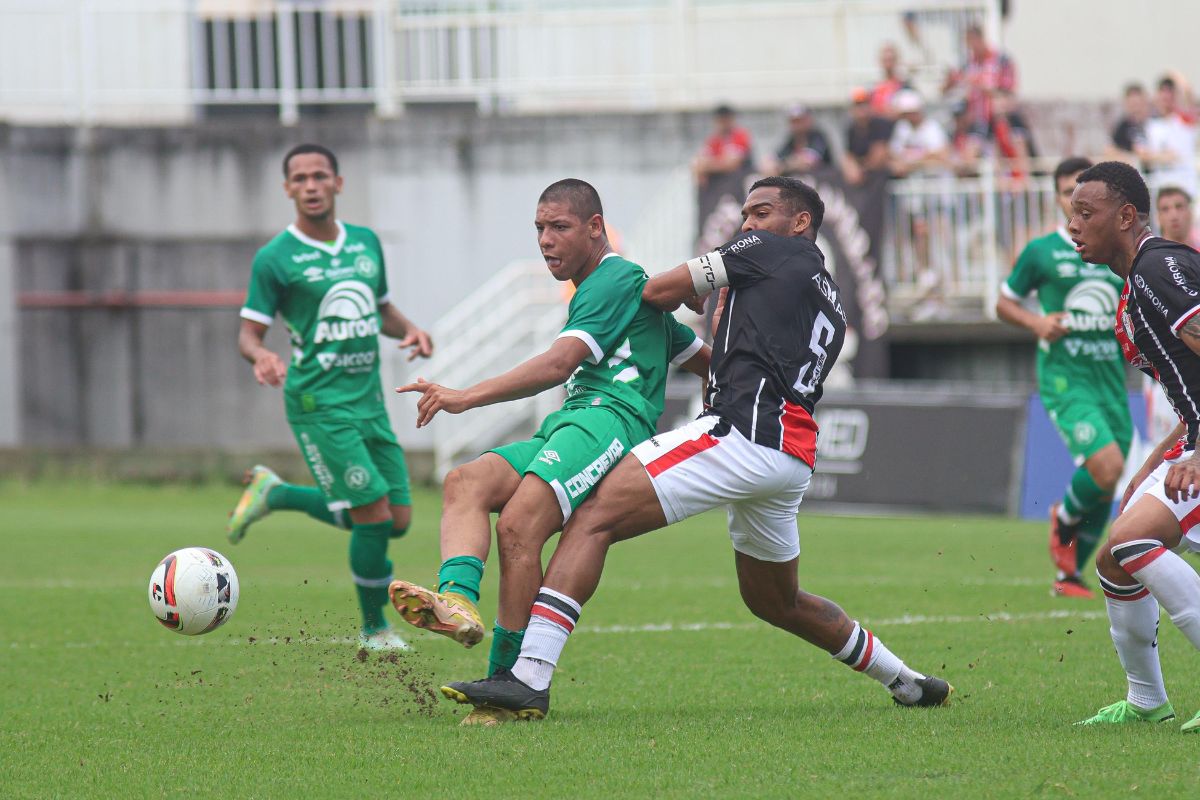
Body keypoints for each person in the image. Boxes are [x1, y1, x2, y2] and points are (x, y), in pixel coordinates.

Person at [440, 176, 953, 720]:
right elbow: (726, 355)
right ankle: (906, 680)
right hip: (791, 455)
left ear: (799, 223)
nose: (747, 224)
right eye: (746, 215)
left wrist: (690, 287)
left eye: (761, 212)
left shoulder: (769, 251)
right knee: (775, 601)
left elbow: (656, 290)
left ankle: (528, 677)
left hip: (739, 434)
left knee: (592, 517)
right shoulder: (827, 295)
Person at [388, 179, 710, 723]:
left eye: (558, 227)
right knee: (467, 482)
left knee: (518, 524)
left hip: (608, 420)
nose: (545, 240)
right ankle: (459, 603)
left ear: (595, 227)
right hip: (572, 421)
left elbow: (558, 366)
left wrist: (464, 396)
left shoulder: (616, 277)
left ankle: (507, 685)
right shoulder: (624, 293)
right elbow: (699, 354)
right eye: (539, 228)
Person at [228, 143, 433, 650]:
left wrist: (409, 329)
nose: (311, 185)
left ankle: (275, 495)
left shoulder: (365, 243)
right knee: (374, 517)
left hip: (369, 401)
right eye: (300, 178)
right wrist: (263, 357)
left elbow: (378, 307)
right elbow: (248, 335)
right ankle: (374, 630)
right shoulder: (275, 258)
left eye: (320, 176)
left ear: (338, 183)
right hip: (319, 404)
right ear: (288, 190)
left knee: (398, 522)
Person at [1068, 161, 1200, 733]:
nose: (1074, 225)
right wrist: (1154, 465)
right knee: (1112, 558)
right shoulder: (1140, 276)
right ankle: (1147, 701)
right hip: (1190, 438)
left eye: (1085, 213)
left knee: (1132, 541)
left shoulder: (1157, 268)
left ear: (1126, 216)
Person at [995, 157, 1130, 600]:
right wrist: (1037, 324)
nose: (1075, 202)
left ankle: (1070, 576)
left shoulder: (1115, 250)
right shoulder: (1042, 251)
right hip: (1065, 378)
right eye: (1066, 193)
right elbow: (1004, 303)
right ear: (1058, 199)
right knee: (1105, 466)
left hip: (1111, 377)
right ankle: (1064, 517)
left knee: (1110, 480)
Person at [1144, 187, 1200, 446]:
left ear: (1191, 210)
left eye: (1179, 207)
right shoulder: (1148, 262)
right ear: (1158, 216)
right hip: (1169, 373)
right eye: (1166, 209)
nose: (1174, 215)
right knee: (1167, 450)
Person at [942, 23, 1016, 128]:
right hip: (976, 119)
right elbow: (948, 88)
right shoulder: (969, 63)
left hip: (998, 118)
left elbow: (1008, 91)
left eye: (971, 41)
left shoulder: (1001, 60)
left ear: (979, 39)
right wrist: (950, 82)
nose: (970, 47)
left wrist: (985, 88)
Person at [1144, 74, 1198, 197]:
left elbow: (1189, 95)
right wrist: (1160, 157)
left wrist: (1173, 74)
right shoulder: (1151, 125)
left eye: (1170, 97)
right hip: (1162, 185)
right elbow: (1144, 154)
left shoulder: (1184, 120)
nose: (1166, 101)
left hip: (1185, 183)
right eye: (1162, 97)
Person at [692, 104, 754, 187]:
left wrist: (708, 165)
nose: (722, 123)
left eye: (725, 119)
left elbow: (732, 164)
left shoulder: (740, 136)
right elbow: (697, 164)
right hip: (718, 185)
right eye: (720, 120)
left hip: (738, 183)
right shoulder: (713, 140)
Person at [841, 87, 892, 186]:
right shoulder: (852, 129)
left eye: (865, 104)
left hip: (881, 176)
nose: (862, 109)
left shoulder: (880, 124)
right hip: (862, 175)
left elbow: (879, 156)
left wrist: (860, 168)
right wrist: (852, 169)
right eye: (858, 105)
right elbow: (849, 156)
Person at [770, 104, 833, 176]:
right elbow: (774, 159)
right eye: (793, 121)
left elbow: (808, 162)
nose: (796, 125)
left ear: (809, 120)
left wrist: (783, 166)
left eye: (799, 120)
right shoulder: (790, 140)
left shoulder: (818, 137)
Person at [1108, 83, 1150, 165]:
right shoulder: (1123, 126)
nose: (1135, 107)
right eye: (1132, 103)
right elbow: (1111, 149)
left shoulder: (1154, 123)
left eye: (1137, 103)